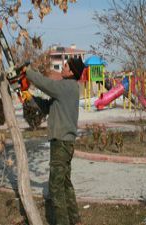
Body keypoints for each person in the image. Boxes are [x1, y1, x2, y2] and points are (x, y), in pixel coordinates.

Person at [22, 57, 85, 225]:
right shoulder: (69, 89)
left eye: (65, 66)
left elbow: (45, 84)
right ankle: (76, 221)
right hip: (66, 142)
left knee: (55, 188)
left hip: (61, 143)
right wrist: (30, 97)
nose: (62, 68)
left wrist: (27, 72)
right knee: (65, 183)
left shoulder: (66, 86)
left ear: (71, 72)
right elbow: (47, 107)